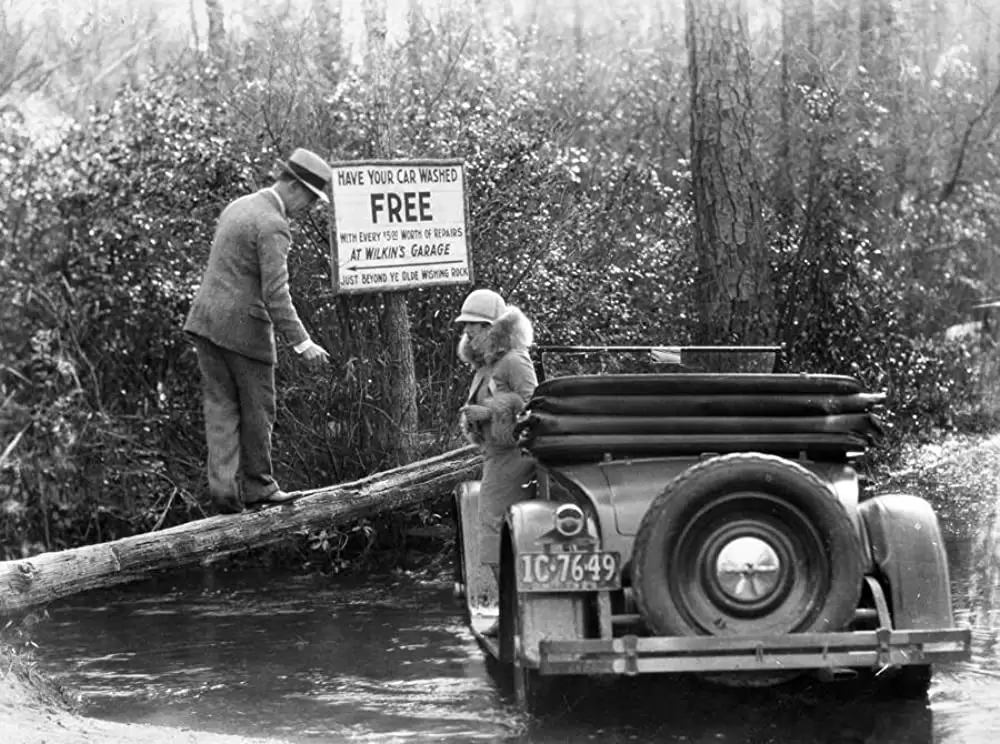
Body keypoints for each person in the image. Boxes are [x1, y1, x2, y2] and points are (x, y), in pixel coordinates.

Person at [184, 148, 332, 513]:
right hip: (243, 333)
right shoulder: (273, 224)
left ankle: (223, 492)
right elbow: (276, 294)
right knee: (258, 410)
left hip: (205, 324)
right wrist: (302, 343)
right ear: (296, 188)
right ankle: (259, 488)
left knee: (220, 408)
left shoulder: (239, 206)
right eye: (311, 200)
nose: (309, 209)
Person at [455, 288, 537, 624]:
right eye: (466, 325)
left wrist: (488, 413)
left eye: (474, 324)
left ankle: (515, 611)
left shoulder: (514, 361)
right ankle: (514, 606)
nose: (468, 330)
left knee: (493, 526)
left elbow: (533, 406)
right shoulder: (489, 365)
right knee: (493, 527)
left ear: (492, 327)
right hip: (497, 456)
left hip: (513, 458)